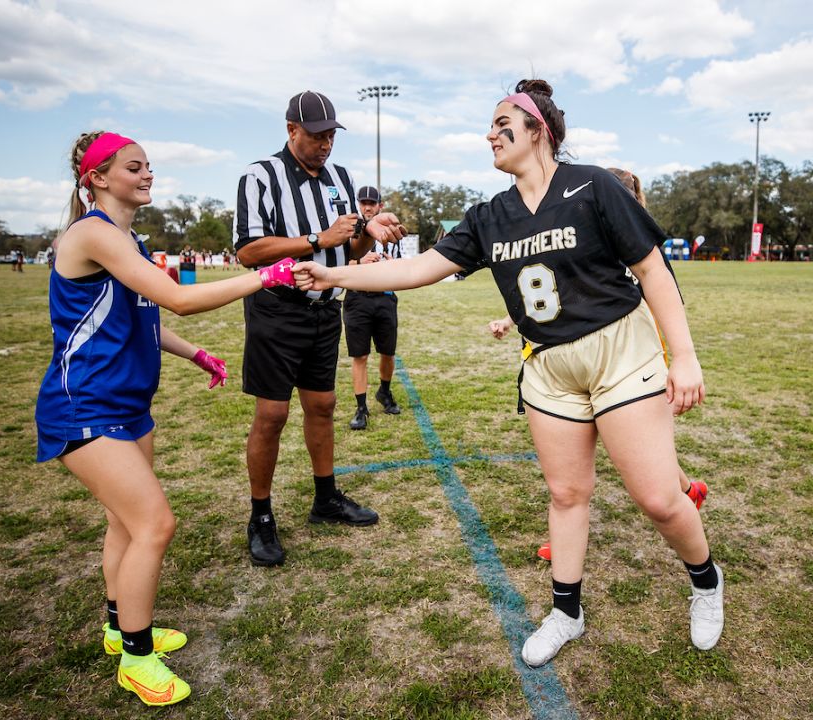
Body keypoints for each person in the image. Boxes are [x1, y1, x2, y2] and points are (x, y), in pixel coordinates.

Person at [294, 79, 724, 666]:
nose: (490, 134)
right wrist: (334, 276)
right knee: (566, 494)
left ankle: (705, 581)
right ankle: (566, 612)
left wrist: (686, 357)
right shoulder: (489, 216)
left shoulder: (593, 185)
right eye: (489, 126)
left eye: (502, 124)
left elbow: (652, 269)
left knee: (657, 498)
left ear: (537, 130)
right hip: (547, 365)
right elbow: (420, 269)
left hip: (620, 353)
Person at [35, 130, 299, 707]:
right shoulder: (92, 235)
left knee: (125, 525)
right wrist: (265, 275)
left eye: (148, 165)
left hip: (128, 406)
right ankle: (136, 657)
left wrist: (196, 354)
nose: (147, 174)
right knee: (155, 524)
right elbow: (177, 297)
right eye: (134, 167)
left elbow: (147, 319)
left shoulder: (127, 239)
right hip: (83, 407)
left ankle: (117, 626)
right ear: (97, 178)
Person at [491, 166, 708, 562]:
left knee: (646, 454)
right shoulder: (581, 237)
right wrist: (509, 321)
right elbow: (559, 294)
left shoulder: (634, 240)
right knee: (568, 475)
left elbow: (663, 291)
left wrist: (674, 355)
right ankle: (567, 539)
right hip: (574, 359)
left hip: (631, 351)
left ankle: (686, 494)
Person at [232, 89, 406, 567]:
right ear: (291, 130)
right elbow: (247, 251)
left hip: (326, 307)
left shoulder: (340, 179)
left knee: (324, 405)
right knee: (271, 414)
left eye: (331, 134)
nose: (326, 143)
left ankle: (325, 497)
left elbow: (345, 251)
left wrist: (366, 234)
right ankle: (261, 515)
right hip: (277, 307)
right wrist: (313, 239)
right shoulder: (260, 177)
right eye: (316, 134)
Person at [342, 185, 404, 430]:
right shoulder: (348, 228)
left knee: (388, 351)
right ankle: (361, 407)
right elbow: (336, 264)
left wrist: (392, 264)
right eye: (363, 202)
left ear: (381, 206)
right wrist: (359, 261)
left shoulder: (391, 232)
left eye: (372, 203)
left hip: (385, 297)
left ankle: (384, 392)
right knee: (360, 355)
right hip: (358, 298)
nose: (367, 207)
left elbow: (402, 265)